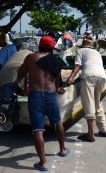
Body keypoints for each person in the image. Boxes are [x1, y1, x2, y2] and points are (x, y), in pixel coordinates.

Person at [18, 36, 70, 171]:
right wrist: (58, 87)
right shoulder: (55, 60)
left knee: (38, 129)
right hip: (51, 94)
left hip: (35, 95)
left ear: (39, 45)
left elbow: (21, 73)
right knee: (57, 122)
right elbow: (58, 78)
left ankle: (43, 163)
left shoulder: (31, 57)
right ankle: (63, 149)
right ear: (52, 47)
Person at [67, 38, 106, 142]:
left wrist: (71, 77)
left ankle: (90, 135)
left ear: (82, 45)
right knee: (97, 102)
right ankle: (104, 130)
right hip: (102, 76)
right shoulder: (97, 52)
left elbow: (78, 66)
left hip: (89, 76)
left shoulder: (80, 51)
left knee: (89, 103)